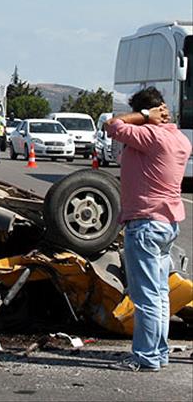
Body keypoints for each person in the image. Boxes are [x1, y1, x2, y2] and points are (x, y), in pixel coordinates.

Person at [105, 87, 191, 372]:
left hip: (145, 224)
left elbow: (112, 124)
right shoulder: (178, 138)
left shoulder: (149, 136)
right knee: (160, 293)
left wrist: (142, 117)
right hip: (167, 223)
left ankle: (147, 357)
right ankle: (158, 352)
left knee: (146, 296)